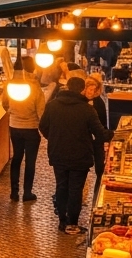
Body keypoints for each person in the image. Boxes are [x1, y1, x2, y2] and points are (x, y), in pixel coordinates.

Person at [38, 76, 111, 235]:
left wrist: (55, 138)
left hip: (58, 154)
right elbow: (100, 133)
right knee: (75, 190)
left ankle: (62, 221)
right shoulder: (87, 110)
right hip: (80, 156)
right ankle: (72, 224)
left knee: (62, 186)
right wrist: (113, 134)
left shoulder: (52, 106)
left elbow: (42, 126)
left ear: (67, 87)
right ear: (82, 89)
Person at [1, 61, 46, 202]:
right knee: (30, 161)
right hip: (31, 128)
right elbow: (41, 111)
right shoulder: (34, 86)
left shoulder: (10, 85)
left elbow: (4, 103)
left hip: (14, 127)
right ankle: (27, 193)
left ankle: (14, 192)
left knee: (17, 158)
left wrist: (12, 113)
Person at [83, 74, 110, 186]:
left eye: (94, 90)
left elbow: (103, 122)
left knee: (99, 166)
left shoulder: (99, 102)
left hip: (97, 139)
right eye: (89, 89)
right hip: (84, 139)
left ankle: (98, 186)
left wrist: (105, 137)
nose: (91, 92)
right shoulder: (80, 102)